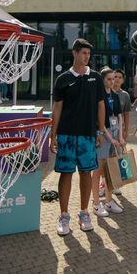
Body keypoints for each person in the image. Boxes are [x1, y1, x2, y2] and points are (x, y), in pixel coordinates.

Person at [50, 38, 107, 236]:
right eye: (83, 53)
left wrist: (100, 131)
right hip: (66, 135)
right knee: (65, 174)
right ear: (74, 53)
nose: (87, 57)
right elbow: (57, 108)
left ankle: (84, 213)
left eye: (89, 54)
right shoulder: (63, 79)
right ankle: (63, 216)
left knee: (86, 173)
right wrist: (53, 135)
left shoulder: (96, 78)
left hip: (87, 135)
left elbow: (101, 105)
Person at [92, 67, 127, 217]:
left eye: (114, 78)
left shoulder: (115, 95)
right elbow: (99, 120)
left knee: (111, 170)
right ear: (102, 80)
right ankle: (95, 203)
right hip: (103, 135)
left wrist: (119, 136)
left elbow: (119, 116)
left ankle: (109, 200)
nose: (113, 81)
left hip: (114, 134)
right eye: (109, 79)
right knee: (99, 170)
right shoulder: (97, 96)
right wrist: (110, 137)